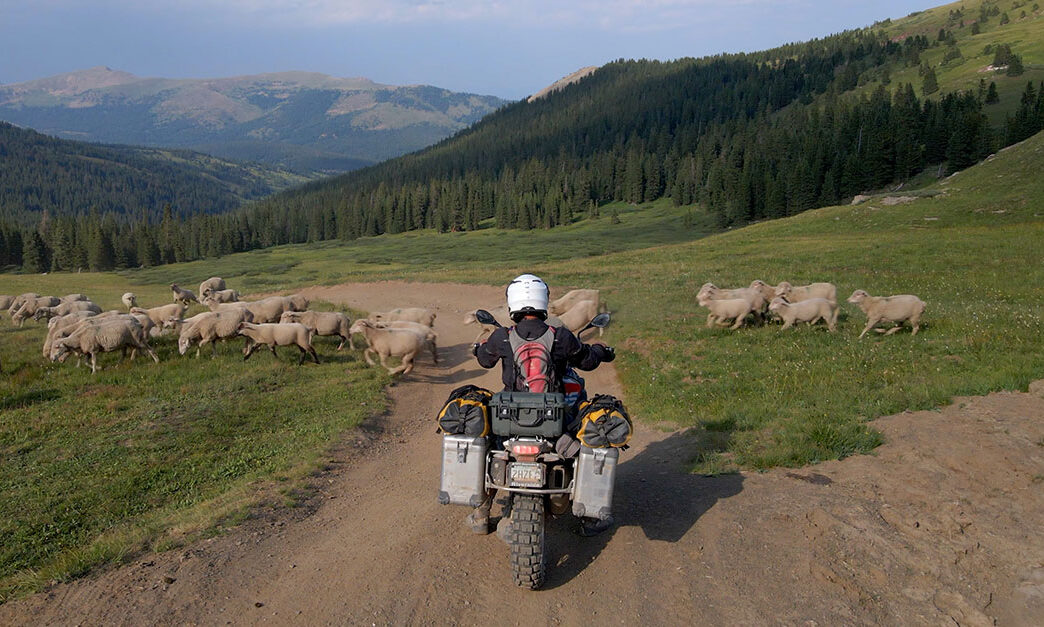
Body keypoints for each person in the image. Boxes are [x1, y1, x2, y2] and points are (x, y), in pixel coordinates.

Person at [469, 273, 616, 537]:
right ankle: (590, 517)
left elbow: (484, 360)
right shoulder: (560, 336)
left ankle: (481, 514)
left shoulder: (501, 336)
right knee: (589, 443)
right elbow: (587, 361)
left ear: (512, 302)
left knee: (484, 447)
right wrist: (601, 351)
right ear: (543, 302)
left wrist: (479, 347)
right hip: (555, 426)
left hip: (509, 425)